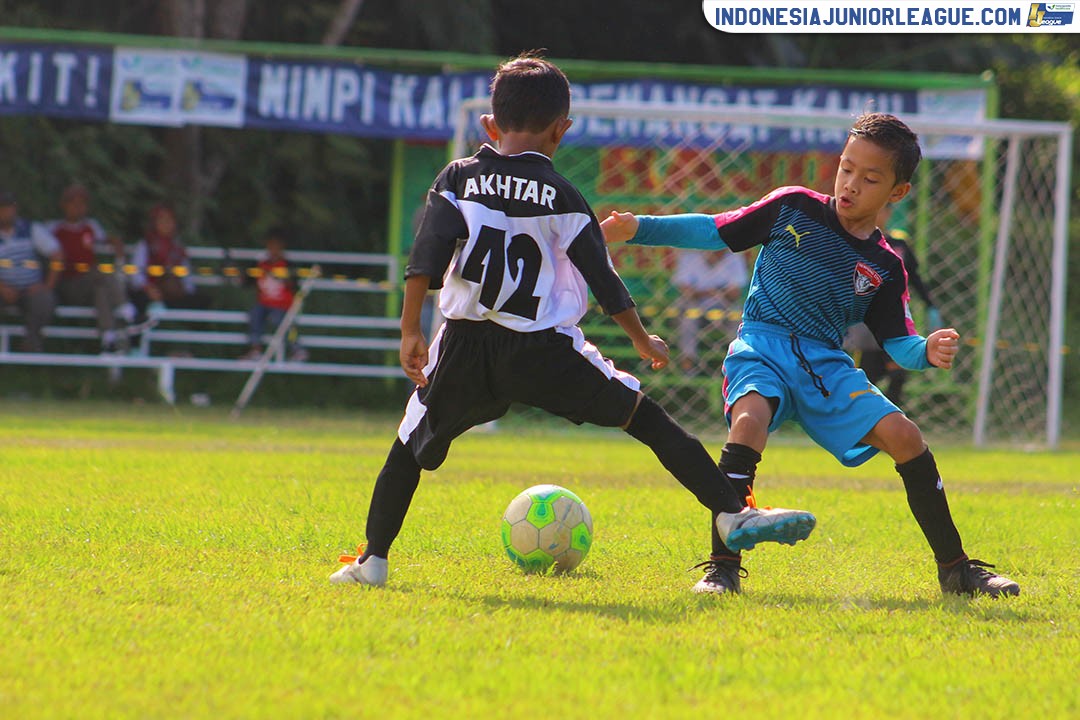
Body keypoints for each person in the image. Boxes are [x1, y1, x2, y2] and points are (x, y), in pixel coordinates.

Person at [330, 52, 816, 587]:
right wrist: (642, 338)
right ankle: (730, 511)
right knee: (645, 418)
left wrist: (409, 331)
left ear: (489, 125)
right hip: (543, 351)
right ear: (562, 130)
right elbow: (603, 279)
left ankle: (372, 561)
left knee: (407, 448)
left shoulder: (458, 178)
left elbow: (425, 254)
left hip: (465, 345)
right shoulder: (563, 195)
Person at [601, 112, 1019, 598]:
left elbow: (897, 341)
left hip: (825, 363)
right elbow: (716, 230)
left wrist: (925, 350)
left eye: (870, 177)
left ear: (897, 193)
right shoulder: (793, 206)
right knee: (749, 421)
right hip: (761, 344)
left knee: (906, 436)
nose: (851, 184)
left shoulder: (886, 264)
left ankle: (957, 570)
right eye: (846, 168)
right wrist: (638, 227)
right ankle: (722, 569)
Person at [847, 204, 940, 405]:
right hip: (864, 327)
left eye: (882, 209)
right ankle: (864, 419)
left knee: (898, 375)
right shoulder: (854, 242)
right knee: (866, 377)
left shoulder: (899, 246)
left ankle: (889, 417)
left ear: (889, 213)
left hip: (893, 322)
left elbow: (914, 278)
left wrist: (931, 306)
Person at [47, 184, 133, 353]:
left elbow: (104, 239)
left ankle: (108, 336)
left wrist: (114, 242)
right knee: (99, 273)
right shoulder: (54, 229)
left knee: (100, 290)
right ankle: (125, 307)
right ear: (64, 205)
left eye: (82, 203)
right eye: (73, 203)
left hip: (89, 284)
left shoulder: (91, 227)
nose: (78, 208)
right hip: (68, 283)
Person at [0, 190, 60, 352]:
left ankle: (31, 344)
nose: (5, 212)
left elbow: (57, 255)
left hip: (31, 289)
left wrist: (47, 285)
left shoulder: (31, 228)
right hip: (2, 289)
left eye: (8, 207)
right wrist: (2, 287)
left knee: (45, 298)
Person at [672, 248, 748, 375]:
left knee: (738, 317)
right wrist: (715, 292)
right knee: (689, 318)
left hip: (723, 305)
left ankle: (737, 362)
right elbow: (686, 291)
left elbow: (735, 293)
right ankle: (687, 363)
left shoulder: (734, 258)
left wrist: (704, 292)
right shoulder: (690, 256)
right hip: (695, 305)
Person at [128, 204, 210, 318]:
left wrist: (184, 290)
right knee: (141, 301)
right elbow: (135, 272)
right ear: (154, 223)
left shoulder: (177, 246)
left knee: (201, 300)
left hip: (173, 293)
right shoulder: (145, 244)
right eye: (162, 219)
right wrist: (148, 288)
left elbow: (186, 276)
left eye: (170, 220)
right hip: (151, 292)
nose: (167, 224)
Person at [239, 228, 307, 362]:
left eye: (276, 247)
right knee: (254, 315)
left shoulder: (287, 265)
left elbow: (295, 285)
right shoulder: (260, 264)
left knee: (283, 322)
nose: (273, 250)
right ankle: (255, 349)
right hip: (264, 304)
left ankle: (297, 349)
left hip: (283, 305)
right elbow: (247, 281)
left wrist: (283, 277)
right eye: (271, 246)